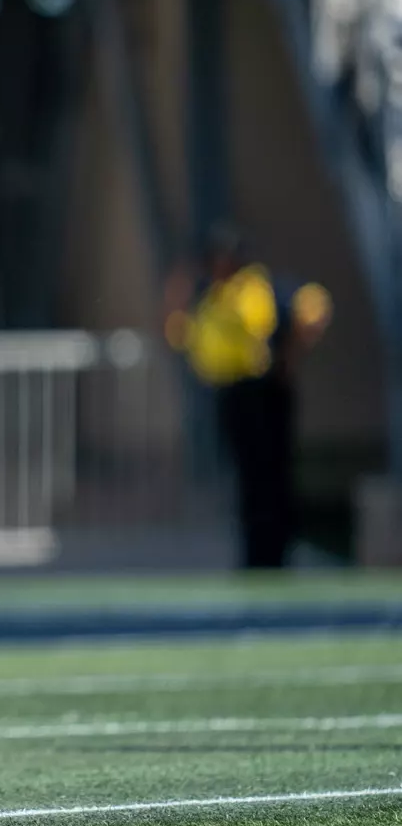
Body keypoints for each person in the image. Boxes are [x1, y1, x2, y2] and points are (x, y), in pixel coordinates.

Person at [165, 226, 330, 569]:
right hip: (233, 395)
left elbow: (313, 309)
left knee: (271, 477)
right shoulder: (212, 297)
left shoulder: (258, 288)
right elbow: (180, 332)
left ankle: (276, 553)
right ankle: (256, 554)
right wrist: (178, 289)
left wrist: (289, 358)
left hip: (262, 393)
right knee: (249, 480)